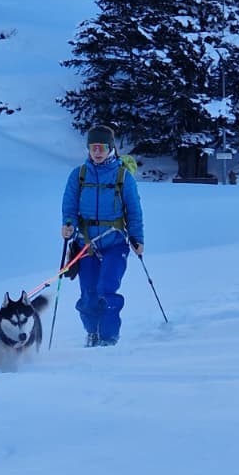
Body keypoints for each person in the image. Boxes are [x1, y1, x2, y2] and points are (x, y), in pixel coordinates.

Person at [61, 124, 144, 347]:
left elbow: (134, 210)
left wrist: (137, 238)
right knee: (88, 294)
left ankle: (109, 337)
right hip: (86, 244)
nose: (97, 152)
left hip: (115, 242)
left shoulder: (123, 176)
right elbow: (69, 205)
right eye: (93, 147)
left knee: (106, 289)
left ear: (110, 149)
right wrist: (68, 225)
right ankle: (92, 332)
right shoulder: (78, 175)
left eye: (101, 147)